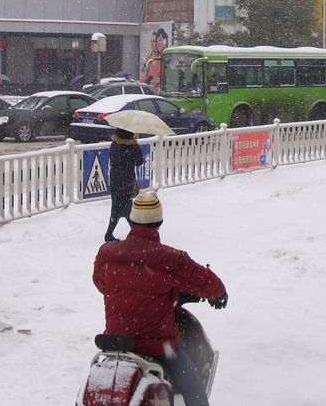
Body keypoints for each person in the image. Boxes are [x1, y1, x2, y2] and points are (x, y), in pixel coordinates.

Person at [93, 189, 228, 406]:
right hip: (156, 347)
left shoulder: (107, 254)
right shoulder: (169, 259)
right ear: (159, 221)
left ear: (132, 220)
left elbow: (101, 283)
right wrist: (219, 294)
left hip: (116, 345)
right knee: (195, 393)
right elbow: (205, 282)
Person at [103, 128, 145, 242]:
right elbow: (139, 161)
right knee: (125, 206)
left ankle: (114, 232)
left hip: (115, 179)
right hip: (127, 180)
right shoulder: (131, 147)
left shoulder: (114, 145)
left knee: (119, 205)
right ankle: (132, 233)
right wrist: (135, 145)